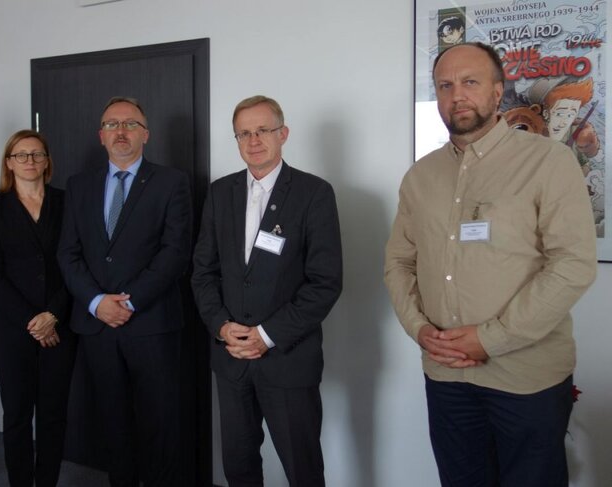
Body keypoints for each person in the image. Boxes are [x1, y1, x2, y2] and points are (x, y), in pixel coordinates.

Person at [384, 42, 597, 487]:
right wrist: (419, 329)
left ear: (498, 91)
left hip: (526, 380)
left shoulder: (548, 161)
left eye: (470, 82)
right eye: (445, 85)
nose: (457, 95)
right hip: (446, 375)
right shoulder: (420, 177)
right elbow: (399, 263)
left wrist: (491, 338)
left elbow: (572, 264)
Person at [192, 95, 343, 487]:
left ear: (283, 134)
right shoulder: (220, 193)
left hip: (287, 360)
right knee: (238, 467)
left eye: (262, 130)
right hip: (231, 359)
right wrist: (221, 326)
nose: (253, 140)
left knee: (302, 470)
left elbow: (325, 282)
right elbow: (203, 272)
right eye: (244, 133)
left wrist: (266, 335)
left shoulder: (314, 193)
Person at [57, 96, 192, 487]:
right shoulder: (78, 185)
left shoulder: (172, 182)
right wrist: (97, 302)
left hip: (152, 325)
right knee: (113, 424)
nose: (120, 131)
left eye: (130, 124)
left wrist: (129, 302)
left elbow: (175, 252)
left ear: (145, 134)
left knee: (160, 425)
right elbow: (68, 253)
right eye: (112, 124)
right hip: (98, 327)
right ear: (100, 135)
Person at [0, 129, 76, 487]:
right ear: (9, 163)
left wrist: (53, 315)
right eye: (21, 155)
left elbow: (77, 264)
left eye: (37, 154)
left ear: (47, 161)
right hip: (11, 328)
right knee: (17, 414)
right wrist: (33, 320)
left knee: (53, 415)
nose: (29, 161)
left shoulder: (67, 203)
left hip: (59, 325)